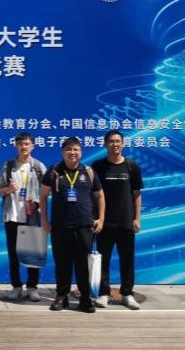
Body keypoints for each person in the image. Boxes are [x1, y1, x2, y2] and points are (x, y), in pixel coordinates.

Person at [40, 137, 105, 313]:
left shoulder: (89, 172)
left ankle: (85, 298)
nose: (72, 152)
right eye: (68, 149)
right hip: (60, 226)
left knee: (83, 264)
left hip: (84, 226)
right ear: (63, 152)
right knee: (62, 264)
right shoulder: (54, 171)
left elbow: (100, 196)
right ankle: (62, 297)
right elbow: (43, 196)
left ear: (81, 152)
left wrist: (101, 219)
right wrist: (44, 220)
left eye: (76, 149)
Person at [91, 130, 144, 310]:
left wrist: (137, 218)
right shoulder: (98, 166)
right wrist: (96, 218)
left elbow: (136, 194)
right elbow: (94, 194)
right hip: (104, 222)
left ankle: (127, 294)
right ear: (105, 144)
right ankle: (103, 293)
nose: (115, 144)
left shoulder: (131, 166)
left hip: (126, 222)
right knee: (103, 260)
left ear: (123, 144)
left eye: (118, 141)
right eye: (111, 141)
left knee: (127, 260)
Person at [0, 132, 47, 302]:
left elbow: (47, 191)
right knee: (13, 254)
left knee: (32, 253)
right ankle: (16, 286)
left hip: (31, 215)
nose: (23, 147)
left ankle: (32, 287)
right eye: (20, 144)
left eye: (27, 144)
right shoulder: (8, 165)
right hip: (12, 215)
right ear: (16, 146)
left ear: (33, 146)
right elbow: (0, 190)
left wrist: (37, 204)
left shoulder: (38, 166)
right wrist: (8, 189)